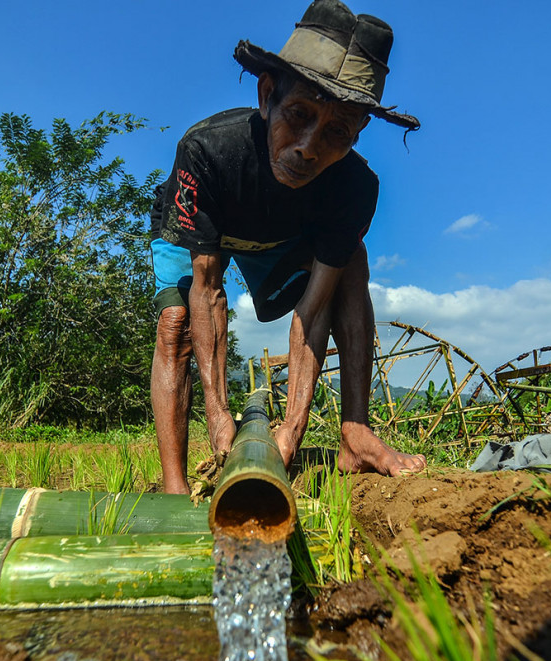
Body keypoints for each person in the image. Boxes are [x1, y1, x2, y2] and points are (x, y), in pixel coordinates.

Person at [150, 0, 427, 495]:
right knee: (175, 327)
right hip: (202, 228)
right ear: (266, 95)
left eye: (337, 133)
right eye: (298, 115)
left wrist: (291, 428)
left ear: (358, 131)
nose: (308, 147)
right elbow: (208, 288)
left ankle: (355, 433)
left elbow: (311, 310)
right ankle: (174, 484)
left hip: (281, 240)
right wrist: (217, 412)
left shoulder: (354, 188)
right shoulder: (208, 152)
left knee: (351, 264)